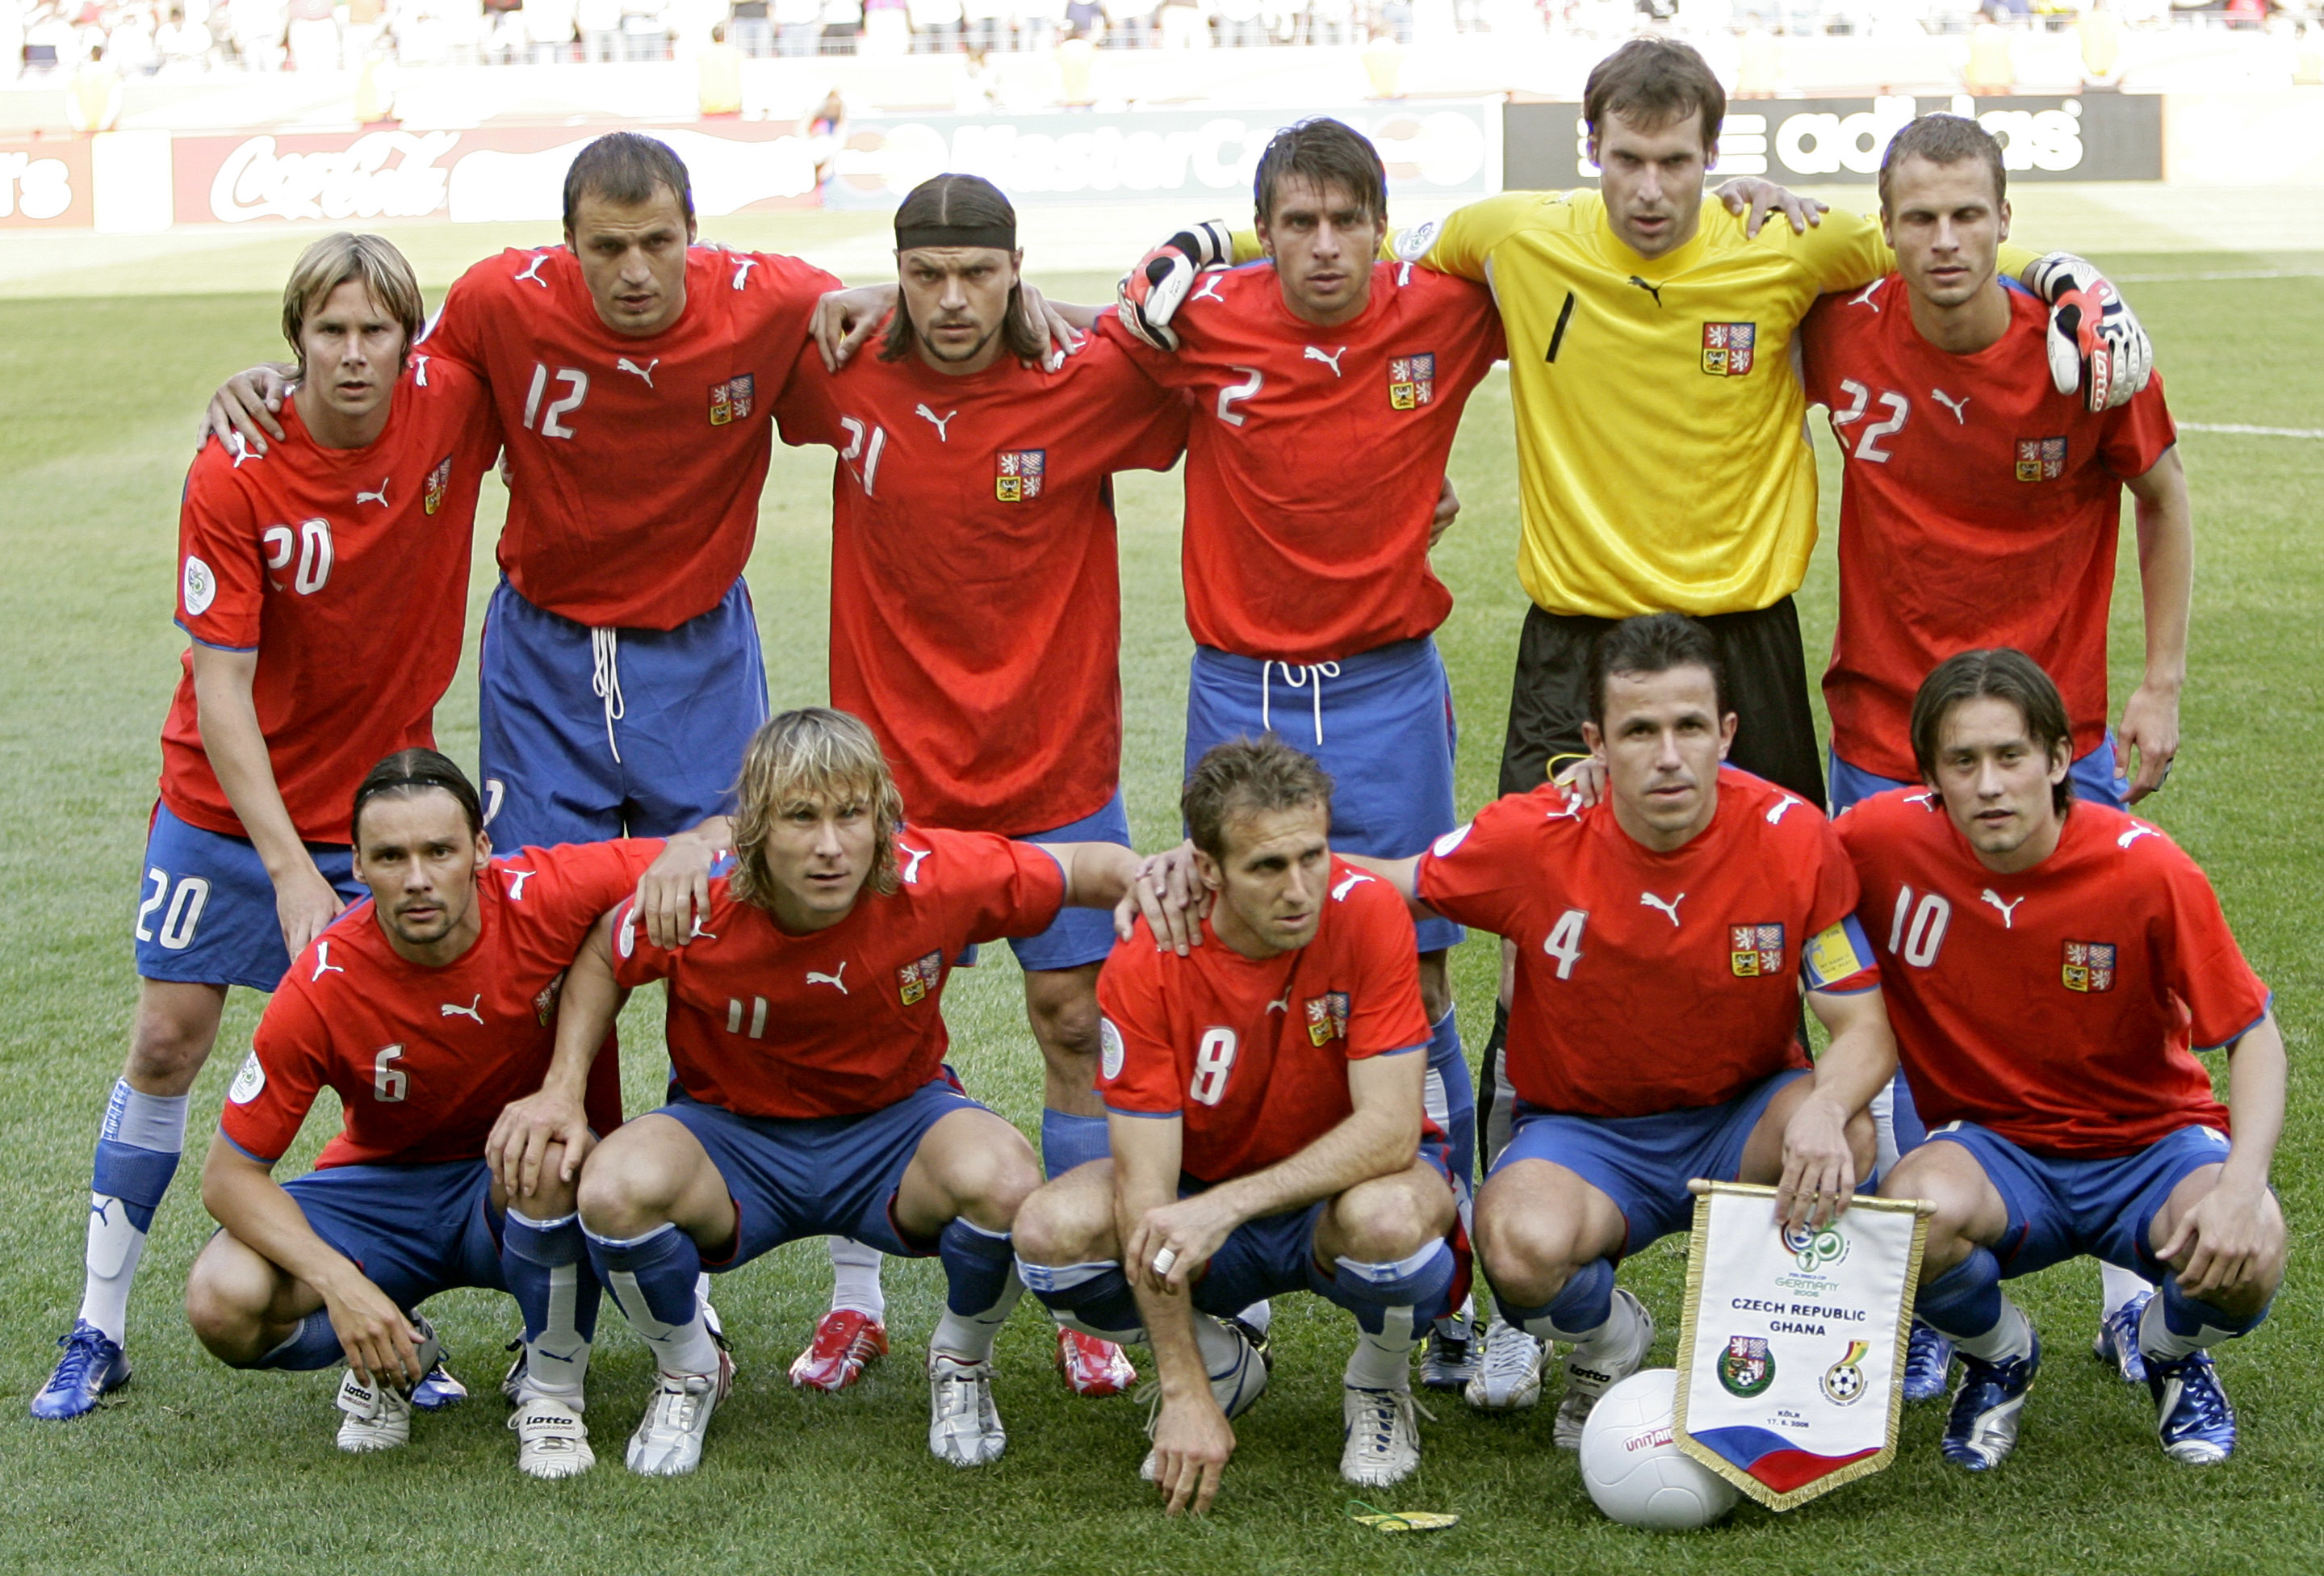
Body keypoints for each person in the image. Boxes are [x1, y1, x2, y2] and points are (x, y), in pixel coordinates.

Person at [33, 235, 500, 1422]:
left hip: (380, 817)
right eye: (327, 332)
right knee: (167, 1042)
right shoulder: (234, 467)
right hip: (224, 807)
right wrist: (291, 868)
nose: (352, 354)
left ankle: (384, 1321)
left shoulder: (451, 405)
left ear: (410, 341)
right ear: (294, 342)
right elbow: (222, 687)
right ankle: (97, 1327)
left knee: (378, 1067)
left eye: (374, 332)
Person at [1091, 117, 1502, 1389]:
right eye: (1297, 223)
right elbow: (1047, 330)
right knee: (1220, 956)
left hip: (1385, 685)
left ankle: (1458, 1290)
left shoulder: (1443, 308)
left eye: (1346, 221)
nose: (1324, 247)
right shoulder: (1199, 315)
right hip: (1240, 688)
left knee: (1418, 967)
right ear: (1261, 230)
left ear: (1383, 225)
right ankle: (1239, 1265)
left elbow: (1571, 252)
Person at [773, 175, 1188, 1398]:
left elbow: (1214, 380)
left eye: (979, 275)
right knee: (862, 1031)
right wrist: (827, 299)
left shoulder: (1089, 373)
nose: (952, 303)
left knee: (1073, 1023)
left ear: (1017, 268)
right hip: (885, 791)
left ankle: (1073, 1289)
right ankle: (856, 1302)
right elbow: (722, 320)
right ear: (893, 275)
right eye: (924, 276)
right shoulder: (837, 366)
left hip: (1054, 766)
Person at [1799, 111, 2192, 1397]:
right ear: (1885, 226)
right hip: (1877, 732)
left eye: (1968, 213)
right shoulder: (1844, 324)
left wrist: (2158, 680)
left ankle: (2134, 1263)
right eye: (1917, 217)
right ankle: (1937, 1277)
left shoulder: (2080, 351)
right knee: (1900, 1001)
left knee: (2098, 985)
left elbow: (2162, 492)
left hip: (2046, 737)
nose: (1943, 240)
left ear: (2005, 219)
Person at [502, 708, 1149, 1477]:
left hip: (897, 1128)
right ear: (753, 830)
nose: (830, 845)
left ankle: (962, 1361)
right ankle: (687, 1369)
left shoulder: (936, 873)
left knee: (1006, 1179)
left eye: (852, 814)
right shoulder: (701, 896)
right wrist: (562, 1090)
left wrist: (1154, 878)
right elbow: (605, 958)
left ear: (882, 818)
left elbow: (1084, 868)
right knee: (613, 1188)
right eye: (800, 817)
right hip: (730, 1134)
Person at [1329, 613, 1899, 1444]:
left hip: (1740, 1117)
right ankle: (1607, 1338)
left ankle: (1783, 1370)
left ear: (1725, 732)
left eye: (1688, 726)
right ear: (1596, 741)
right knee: (1515, 1245)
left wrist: (1818, 1106)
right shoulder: (1533, 835)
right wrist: (1226, 862)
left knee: (1841, 1126)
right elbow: (1392, 882)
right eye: (1638, 730)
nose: (1667, 754)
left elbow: (1865, 1030)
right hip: (1585, 1133)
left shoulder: (1793, 836)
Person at [202, 132, 840, 856]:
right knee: (541, 913)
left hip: (700, 648)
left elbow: (885, 327)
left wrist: (885, 295)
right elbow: (395, 384)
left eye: (657, 242)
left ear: (692, 233)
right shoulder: (498, 300)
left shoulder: (776, 298)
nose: (635, 270)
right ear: (568, 242)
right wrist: (277, 380)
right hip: (544, 653)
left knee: (718, 906)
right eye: (605, 248)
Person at [181, 751, 715, 1476]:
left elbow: (734, 840)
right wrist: (347, 1289)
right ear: (359, 869)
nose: (419, 878)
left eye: (440, 850)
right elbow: (228, 1178)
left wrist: (686, 849)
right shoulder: (321, 982)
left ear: (482, 851)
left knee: (547, 1148)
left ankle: (553, 1394)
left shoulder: (543, 892)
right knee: (222, 1300)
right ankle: (401, 1353)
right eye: (391, 857)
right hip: (385, 1191)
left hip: (522, 1183)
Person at [1845, 651, 2284, 1469]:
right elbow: (1753, 844)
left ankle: (2167, 1348)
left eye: (2009, 755)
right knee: (1907, 1217)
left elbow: (2252, 1032)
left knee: (2251, 1243)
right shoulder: (1879, 840)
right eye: (1961, 761)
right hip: (1994, 1149)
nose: (1987, 784)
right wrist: (1596, 788)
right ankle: (2000, 1353)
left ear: (2054, 759)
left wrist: (2238, 1184)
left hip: (2150, 1144)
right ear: (1928, 777)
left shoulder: (2145, 865)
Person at [1015, 737, 1463, 1509]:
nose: (1301, 889)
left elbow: (1392, 1132)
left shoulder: (1367, 911)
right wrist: (1181, 1387)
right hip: (1200, 1191)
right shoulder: (1150, 955)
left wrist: (1227, 1206)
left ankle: (1379, 1380)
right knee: (1050, 1234)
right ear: (1209, 869)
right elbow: (1147, 1190)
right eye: (1266, 867)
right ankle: (1216, 1365)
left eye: (1312, 855)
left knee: (1394, 1222)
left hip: (1338, 1194)